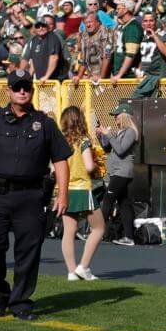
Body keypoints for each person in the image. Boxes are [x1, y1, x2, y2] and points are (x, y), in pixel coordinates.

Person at [0, 70, 72, 320]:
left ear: (32, 91)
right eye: (17, 87)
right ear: (9, 91)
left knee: (29, 251)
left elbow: (61, 160)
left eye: (26, 87)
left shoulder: (44, 123)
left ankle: (21, 301)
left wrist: (62, 194)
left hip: (32, 196)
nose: (22, 91)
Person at [59, 106, 105, 281]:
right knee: (99, 228)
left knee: (68, 231)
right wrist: (96, 165)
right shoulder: (83, 140)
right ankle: (83, 267)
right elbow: (88, 166)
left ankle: (71, 271)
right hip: (82, 189)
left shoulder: (61, 142)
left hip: (64, 189)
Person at [97, 104, 139, 246]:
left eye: (117, 115)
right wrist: (101, 136)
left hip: (122, 172)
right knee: (124, 203)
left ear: (124, 115)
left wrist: (109, 135)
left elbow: (120, 150)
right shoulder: (121, 132)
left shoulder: (131, 132)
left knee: (108, 198)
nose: (115, 118)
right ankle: (129, 237)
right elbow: (108, 148)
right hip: (117, 172)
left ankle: (98, 231)